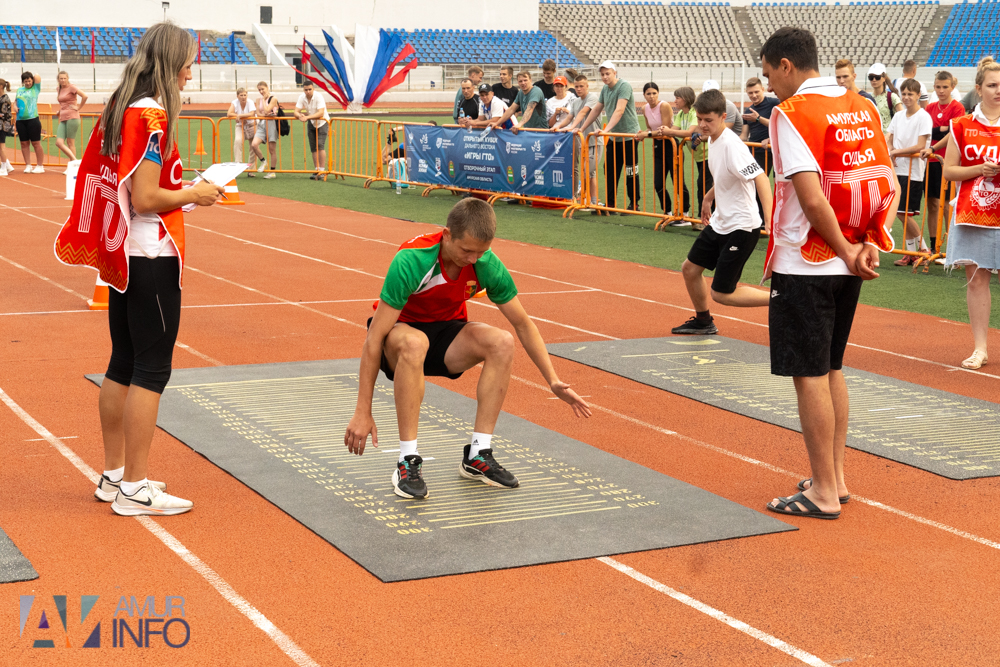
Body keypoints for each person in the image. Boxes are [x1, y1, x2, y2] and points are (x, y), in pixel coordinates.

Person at [53, 22, 225, 516]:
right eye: (189, 62)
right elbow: (147, 198)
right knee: (152, 369)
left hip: (124, 253)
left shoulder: (120, 105)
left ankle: (113, 476)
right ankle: (135, 486)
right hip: (151, 255)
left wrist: (183, 193)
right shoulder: (152, 114)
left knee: (122, 363)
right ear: (172, 64)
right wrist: (195, 194)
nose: (193, 72)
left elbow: (130, 189)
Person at [344, 198, 591, 499]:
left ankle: (478, 454)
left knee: (501, 341)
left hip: (447, 336)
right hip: (399, 338)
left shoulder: (485, 263)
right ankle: (407, 459)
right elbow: (374, 338)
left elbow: (523, 324)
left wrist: (553, 380)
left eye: (481, 252)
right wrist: (362, 411)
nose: (474, 259)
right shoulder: (413, 259)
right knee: (414, 342)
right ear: (447, 235)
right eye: (466, 250)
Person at [760, 27, 898, 520]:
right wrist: (867, 243)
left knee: (809, 374)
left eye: (769, 73)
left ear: (786, 65)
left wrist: (841, 245)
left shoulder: (791, 113)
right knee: (832, 366)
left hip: (807, 260)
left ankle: (821, 491)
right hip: (850, 258)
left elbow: (811, 196)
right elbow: (885, 182)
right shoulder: (862, 106)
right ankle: (834, 478)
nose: (769, 85)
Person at [671, 89, 773, 336]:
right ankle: (703, 321)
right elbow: (726, 176)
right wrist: (708, 198)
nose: (703, 125)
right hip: (720, 222)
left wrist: (770, 221)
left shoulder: (731, 144)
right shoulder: (712, 139)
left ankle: (784, 297)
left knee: (722, 293)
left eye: (709, 120)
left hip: (741, 227)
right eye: (700, 119)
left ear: (723, 116)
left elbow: (760, 178)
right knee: (690, 269)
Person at [942, 56, 1000, 370]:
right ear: (978, 89)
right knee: (977, 280)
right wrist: (979, 168)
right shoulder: (962, 125)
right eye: (991, 85)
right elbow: (949, 171)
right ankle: (980, 348)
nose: (998, 91)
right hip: (972, 213)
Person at [575, 61, 641, 212]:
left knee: (630, 171)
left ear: (614, 73)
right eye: (602, 74)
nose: (605, 77)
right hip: (613, 137)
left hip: (629, 135)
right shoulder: (605, 89)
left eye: (607, 74)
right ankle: (610, 204)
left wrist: (606, 130)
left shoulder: (624, 86)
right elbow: (597, 109)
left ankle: (634, 203)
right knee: (609, 170)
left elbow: (620, 110)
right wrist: (582, 127)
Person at [920, 70, 966, 256]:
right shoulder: (929, 108)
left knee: (947, 204)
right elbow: (927, 131)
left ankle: (951, 247)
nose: (941, 91)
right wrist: (941, 129)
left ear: (952, 87)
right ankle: (933, 245)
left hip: (948, 161)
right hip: (930, 162)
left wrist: (937, 135)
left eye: (945, 87)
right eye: (938, 87)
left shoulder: (957, 108)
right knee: (931, 202)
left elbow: (952, 134)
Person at [886, 79, 932, 266]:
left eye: (910, 94)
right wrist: (890, 149)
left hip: (913, 172)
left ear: (918, 95)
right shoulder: (898, 116)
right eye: (903, 94)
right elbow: (889, 136)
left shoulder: (923, 117)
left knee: (904, 214)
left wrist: (896, 152)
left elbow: (921, 145)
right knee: (901, 213)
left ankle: (923, 249)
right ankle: (910, 252)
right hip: (898, 170)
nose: (906, 98)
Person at [555, 74, 603, 209]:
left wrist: (572, 128)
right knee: (590, 172)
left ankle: (584, 197)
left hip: (593, 140)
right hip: (583, 141)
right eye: (576, 86)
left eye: (581, 86)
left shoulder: (592, 98)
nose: (579, 89)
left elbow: (583, 113)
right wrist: (558, 126)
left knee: (588, 171)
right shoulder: (575, 102)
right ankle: (593, 202)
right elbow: (570, 117)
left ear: (587, 86)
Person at [740, 77, 779, 223]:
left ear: (763, 89)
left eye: (756, 91)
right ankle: (762, 221)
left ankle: (777, 220)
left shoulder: (774, 103)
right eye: (750, 93)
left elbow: (780, 124)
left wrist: (758, 119)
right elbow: (744, 134)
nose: (754, 95)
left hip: (776, 151)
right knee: (756, 187)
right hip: (757, 152)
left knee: (780, 186)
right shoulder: (748, 110)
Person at [635, 82, 675, 214]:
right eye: (648, 94)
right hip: (658, 146)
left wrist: (646, 134)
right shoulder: (644, 108)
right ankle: (668, 212)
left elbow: (664, 130)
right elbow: (650, 129)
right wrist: (643, 133)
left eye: (654, 93)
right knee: (658, 183)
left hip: (671, 144)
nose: (651, 96)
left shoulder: (664, 105)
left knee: (677, 182)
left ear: (658, 93)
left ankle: (684, 213)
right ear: (644, 95)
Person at [660, 86, 697, 224]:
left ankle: (696, 217)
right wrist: (665, 130)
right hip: (698, 155)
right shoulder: (681, 114)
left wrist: (668, 131)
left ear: (686, 99)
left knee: (705, 185)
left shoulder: (694, 112)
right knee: (703, 185)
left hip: (707, 154)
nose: (675, 101)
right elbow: (672, 130)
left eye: (677, 98)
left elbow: (689, 132)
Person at [294, 80, 330, 179]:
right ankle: (316, 169)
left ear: (313, 88)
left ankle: (322, 171)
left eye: (310, 89)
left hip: (322, 122)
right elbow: (296, 111)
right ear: (303, 90)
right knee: (313, 147)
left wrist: (307, 118)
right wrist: (300, 115)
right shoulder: (302, 97)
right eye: (306, 90)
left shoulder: (318, 96)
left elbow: (321, 113)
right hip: (311, 122)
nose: (308, 91)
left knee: (320, 145)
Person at [15, 72, 44, 174]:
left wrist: (32, 75)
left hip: (33, 119)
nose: (27, 83)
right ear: (23, 82)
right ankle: (28, 165)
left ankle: (40, 165)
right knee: (24, 143)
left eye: (29, 80)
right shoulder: (19, 90)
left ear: (32, 81)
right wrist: (14, 106)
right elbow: (16, 100)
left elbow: (38, 77)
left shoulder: (35, 89)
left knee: (36, 143)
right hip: (20, 120)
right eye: (25, 81)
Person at [55, 70, 87, 162]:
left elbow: (85, 96)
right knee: (59, 142)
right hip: (63, 117)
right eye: (61, 78)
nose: (63, 80)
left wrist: (78, 107)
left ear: (68, 78)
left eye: (65, 78)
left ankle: (72, 164)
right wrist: (60, 110)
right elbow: (63, 102)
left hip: (72, 117)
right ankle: (75, 161)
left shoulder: (72, 87)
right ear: (58, 79)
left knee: (70, 143)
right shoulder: (58, 89)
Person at [251, 81, 279, 179]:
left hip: (272, 124)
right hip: (262, 124)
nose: (261, 91)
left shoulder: (273, 98)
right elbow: (258, 113)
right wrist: (265, 115)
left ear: (267, 88)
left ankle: (272, 172)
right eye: (259, 90)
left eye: (263, 89)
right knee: (254, 144)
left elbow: (267, 110)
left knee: (272, 150)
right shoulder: (258, 99)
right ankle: (263, 161)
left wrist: (264, 101)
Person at [867, 63, 902, 130]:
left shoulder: (892, 97)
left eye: (877, 77)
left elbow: (902, 118)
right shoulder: (868, 98)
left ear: (884, 79)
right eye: (871, 77)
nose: (874, 80)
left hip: (889, 138)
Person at [227, 87, 256, 165]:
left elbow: (252, 113)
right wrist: (238, 116)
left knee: (253, 146)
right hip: (240, 125)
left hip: (251, 125)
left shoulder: (250, 102)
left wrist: (240, 116)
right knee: (238, 141)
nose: (243, 97)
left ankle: (251, 169)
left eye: (245, 95)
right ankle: (238, 163)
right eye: (241, 95)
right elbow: (229, 113)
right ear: (237, 96)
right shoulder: (234, 102)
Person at [0, 79, 12, 177]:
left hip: (2, 126)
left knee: (2, 147)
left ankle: (4, 167)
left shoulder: (4, 99)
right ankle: (7, 165)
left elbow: (3, 114)